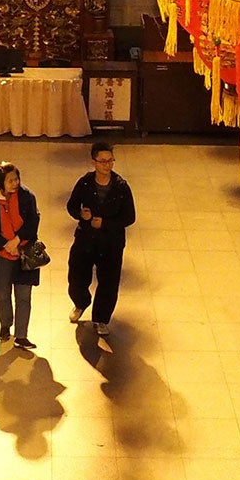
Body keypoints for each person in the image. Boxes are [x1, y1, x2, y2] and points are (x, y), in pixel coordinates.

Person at [66, 140, 136, 349]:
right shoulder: (85, 183)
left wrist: (105, 223)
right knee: (77, 276)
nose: (107, 165)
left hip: (111, 243)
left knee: (108, 281)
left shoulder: (121, 187)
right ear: (93, 162)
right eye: (103, 161)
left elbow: (129, 216)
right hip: (86, 239)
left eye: (110, 161)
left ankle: (101, 319)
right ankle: (81, 302)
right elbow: (71, 206)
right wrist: (81, 214)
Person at [0, 161, 41, 352]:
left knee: (24, 296)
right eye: (10, 180)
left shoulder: (27, 197)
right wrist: (6, 245)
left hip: (24, 252)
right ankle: (6, 324)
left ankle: (21, 335)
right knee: (2, 293)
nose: (15, 183)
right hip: (0, 254)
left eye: (16, 179)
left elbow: (33, 221)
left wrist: (17, 241)